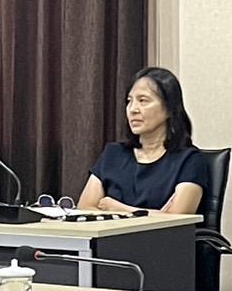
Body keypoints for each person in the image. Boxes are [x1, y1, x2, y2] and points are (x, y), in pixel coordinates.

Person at [78, 67, 206, 214]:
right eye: (129, 101)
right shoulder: (113, 154)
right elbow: (84, 209)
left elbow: (177, 219)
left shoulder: (189, 160)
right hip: (111, 232)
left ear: (169, 108)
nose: (133, 109)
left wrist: (119, 209)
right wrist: (155, 214)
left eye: (143, 101)